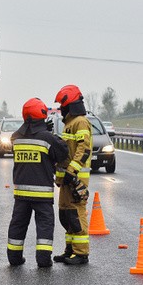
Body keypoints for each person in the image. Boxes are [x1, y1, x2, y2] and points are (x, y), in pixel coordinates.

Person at [7, 98, 69, 268]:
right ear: (42, 115)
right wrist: (51, 135)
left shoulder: (15, 138)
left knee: (18, 225)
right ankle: (43, 260)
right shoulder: (47, 138)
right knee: (45, 226)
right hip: (42, 194)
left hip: (21, 194)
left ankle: (14, 258)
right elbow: (63, 152)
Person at [53, 85, 92, 265]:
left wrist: (71, 172)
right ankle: (70, 250)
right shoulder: (69, 123)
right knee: (66, 215)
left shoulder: (80, 122)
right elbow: (66, 152)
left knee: (76, 214)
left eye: (63, 106)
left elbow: (83, 150)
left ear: (71, 105)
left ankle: (81, 253)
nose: (61, 109)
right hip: (66, 179)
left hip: (75, 179)